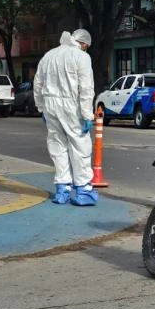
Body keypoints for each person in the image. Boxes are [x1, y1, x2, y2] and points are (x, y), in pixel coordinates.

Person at [34, 29, 98, 206]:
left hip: (51, 106)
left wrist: (41, 108)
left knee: (57, 145)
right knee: (80, 146)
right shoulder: (81, 57)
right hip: (72, 107)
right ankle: (83, 190)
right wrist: (87, 115)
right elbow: (86, 89)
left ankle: (62, 188)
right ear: (84, 44)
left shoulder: (49, 55)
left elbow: (37, 83)